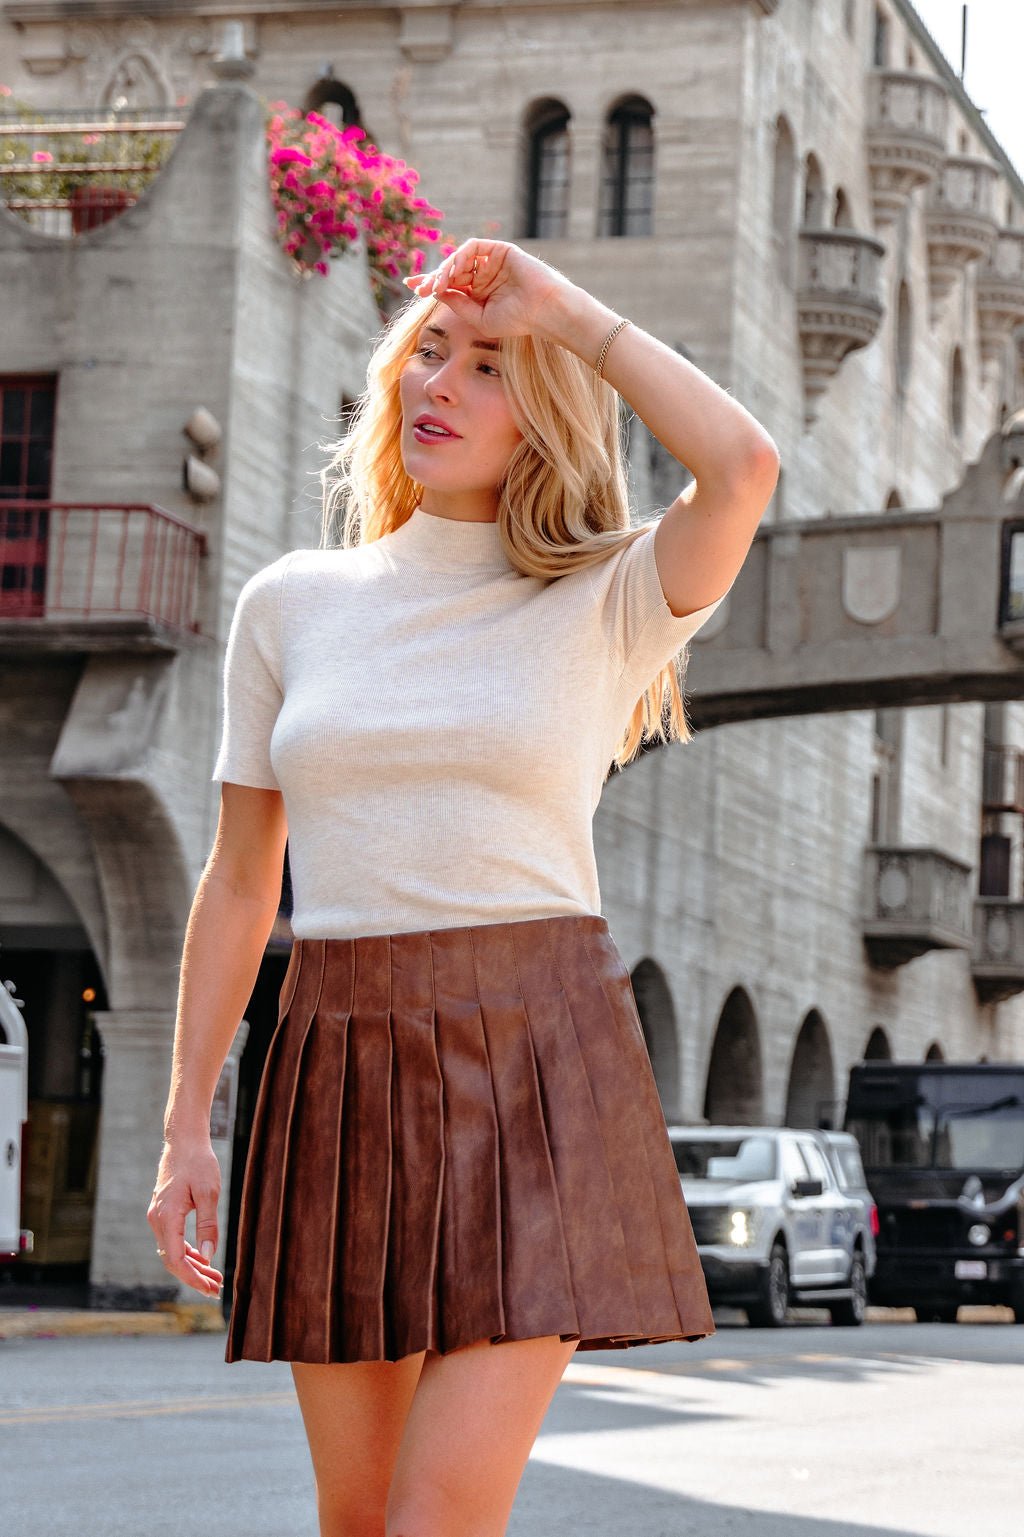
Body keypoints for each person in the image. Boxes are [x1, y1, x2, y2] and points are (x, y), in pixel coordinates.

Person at [148, 236, 779, 1536]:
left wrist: (568, 310)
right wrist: (184, 1128)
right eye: (430, 349)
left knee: (439, 1516)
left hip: (540, 1066)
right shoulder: (291, 606)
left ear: (544, 413)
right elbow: (239, 879)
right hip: (339, 1058)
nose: (442, 380)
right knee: (362, 1516)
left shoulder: (606, 598)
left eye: (490, 366)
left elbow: (743, 466)